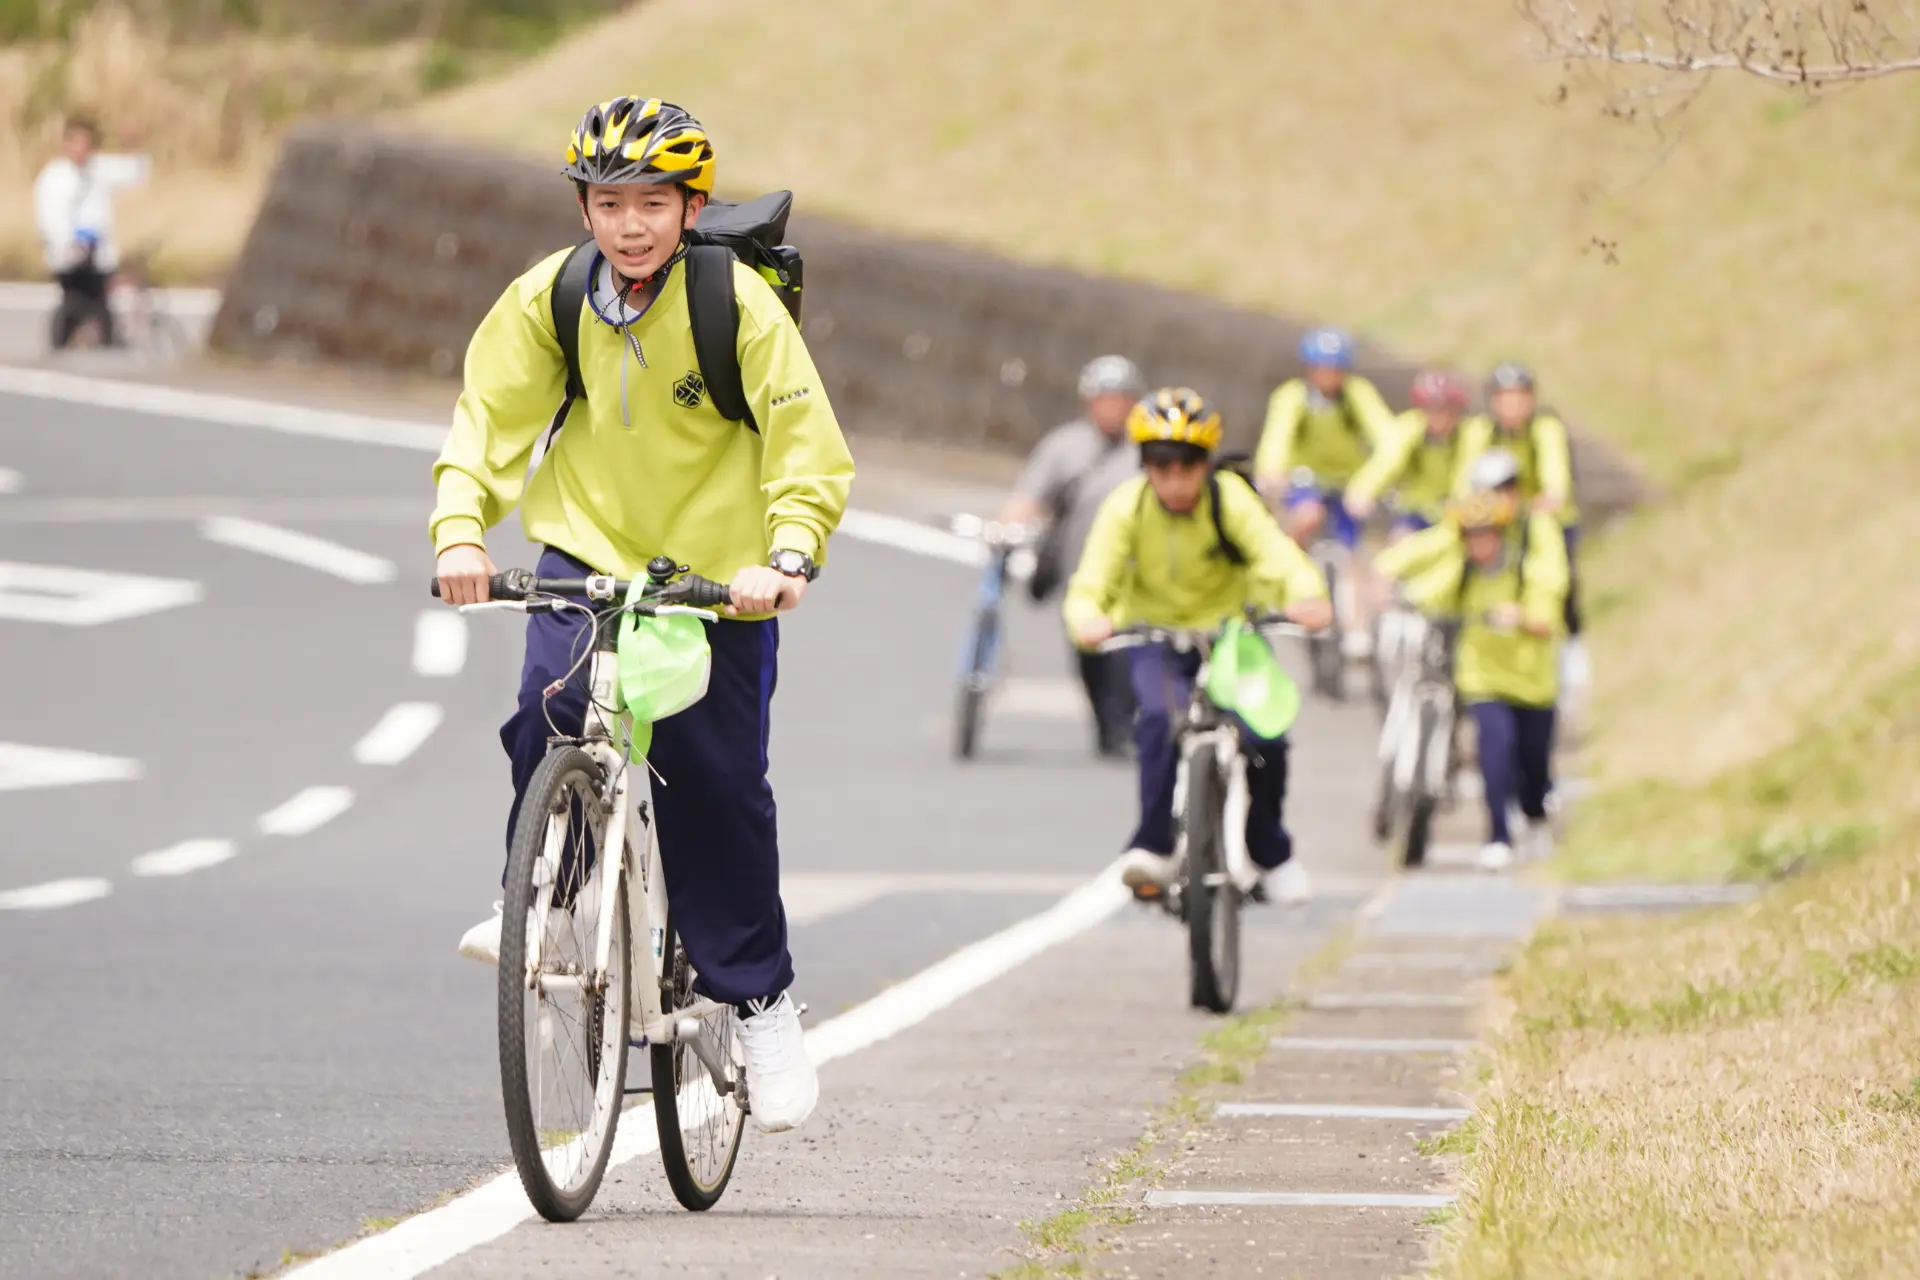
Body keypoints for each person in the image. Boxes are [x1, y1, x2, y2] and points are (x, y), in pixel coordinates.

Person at [431, 96, 854, 1133]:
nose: (630, 224)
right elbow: (490, 416)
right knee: (545, 708)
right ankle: (545, 902)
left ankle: (756, 999)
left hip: (718, 577)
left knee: (717, 783)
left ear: (689, 206)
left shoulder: (736, 305)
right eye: (610, 201)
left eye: (653, 203)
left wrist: (786, 554)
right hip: (587, 549)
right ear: (584, 207)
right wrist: (459, 530)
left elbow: (807, 447)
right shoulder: (555, 294)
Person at [1064, 388, 1333, 904]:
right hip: (1156, 635)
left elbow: (1275, 555)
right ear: (1143, 465)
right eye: (1159, 466)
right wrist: (1089, 619)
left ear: (1207, 464)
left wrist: (1307, 597)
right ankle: (1153, 846)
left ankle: (1270, 849)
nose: (1174, 479)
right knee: (1161, 722)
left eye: (1187, 465)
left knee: (1266, 737)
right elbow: (1091, 580)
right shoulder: (1127, 506)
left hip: (1232, 636)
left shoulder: (1229, 499)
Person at [1375, 448, 1567, 872]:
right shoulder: (1464, 554)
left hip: (1534, 682)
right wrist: (1389, 582)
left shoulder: (1532, 545)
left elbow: (1549, 600)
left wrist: (1524, 617)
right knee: (1493, 753)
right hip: (1483, 677)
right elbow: (1430, 574)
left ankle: (1534, 818)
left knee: (1533, 765)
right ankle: (1497, 834)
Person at [997, 354, 1147, 756]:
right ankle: (1105, 725)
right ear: (1089, 400)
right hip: (1079, 570)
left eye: (1122, 398)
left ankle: (1123, 728)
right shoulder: (1064, 446)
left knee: (1126, 650)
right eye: (1105, 397)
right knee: (1088, 651)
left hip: (1135, 571)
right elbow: (1030, 496)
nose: (1113, 406)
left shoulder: (1149, 447)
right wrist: (1004, 528)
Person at [1453, 361, 1588, 691]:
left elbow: (1556, 474)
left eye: (1518, 397)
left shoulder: (1545, 428)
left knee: (1560, 584)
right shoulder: (1479, 429)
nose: (1511, 406)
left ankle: (1569, 655)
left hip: (1540, 518)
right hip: (1491, 520)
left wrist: (1547, 499)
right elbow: (1463, 475)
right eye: (1504, 397)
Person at [1252, 326, 1398, 551]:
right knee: (1308, 516)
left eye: (1334, 369)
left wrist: (1367, 486)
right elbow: (1276, 437)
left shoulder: (1358, 394)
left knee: (1348, 546)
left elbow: (1390, 440)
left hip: (1348, 483)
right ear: (1309, 368)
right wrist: (1271, 471)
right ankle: (1288, 564)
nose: (1327, 375)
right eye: (1321, 368)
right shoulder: (1292, 396)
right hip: (1304, 477)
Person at [33, 116, 150, 349]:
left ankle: (106, 338)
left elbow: (135, 173)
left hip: (100, 257)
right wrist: (70, 244)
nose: (80, 149)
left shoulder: (99, 169)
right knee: (79, 303)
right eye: (75, 142)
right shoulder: (53, 177)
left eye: (85, 143)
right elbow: (49, 219)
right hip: (69, 258)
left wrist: (133, 144)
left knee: (106, 303)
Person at [1344, 369, 1471, 540]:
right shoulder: (1409, 429)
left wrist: (1462, 504)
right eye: (1433, 409)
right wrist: (1362, 491)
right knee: (1400, 540)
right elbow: (1387, 462)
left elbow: (1468, 469)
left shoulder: (1468, 435)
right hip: (1414, 510)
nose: (1440, 418)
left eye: (1447, 410)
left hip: (1453, 513)